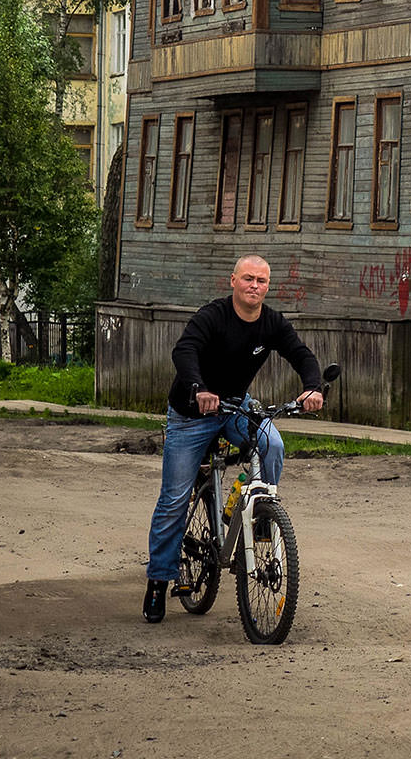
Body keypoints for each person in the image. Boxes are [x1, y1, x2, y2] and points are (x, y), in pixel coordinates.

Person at [143, 254, 327, 624]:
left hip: (234, 408)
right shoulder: (213, 316)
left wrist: (312, 388)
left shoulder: (271, 322)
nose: (254, 286)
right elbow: (184, 351)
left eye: (261, 280)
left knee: (272, 443)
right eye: (248, 279)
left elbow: (301, 353)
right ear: (233, 281)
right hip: (192, 412)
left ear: (267, 286)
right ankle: (159, 581)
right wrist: (198, 388)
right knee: (175, 498)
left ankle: (257, 515)